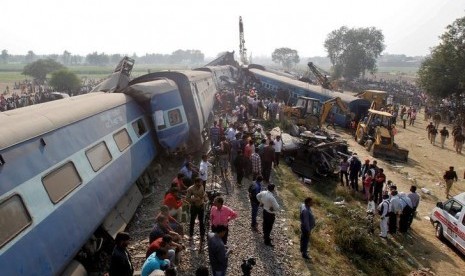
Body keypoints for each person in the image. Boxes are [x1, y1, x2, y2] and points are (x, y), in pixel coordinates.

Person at [186, 177, 207, 246]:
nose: (200, 184)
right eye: (199, 183)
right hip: (194, 207)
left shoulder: (201, 186)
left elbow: (203, 193)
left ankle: (202, 236)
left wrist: (204, 197)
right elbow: (187, 199)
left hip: (201, 206)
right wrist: (195, 199)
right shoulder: (190, 189)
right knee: (192, 221)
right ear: (195, 183)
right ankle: (191, 235)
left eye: (201, 183)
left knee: (202, 222)